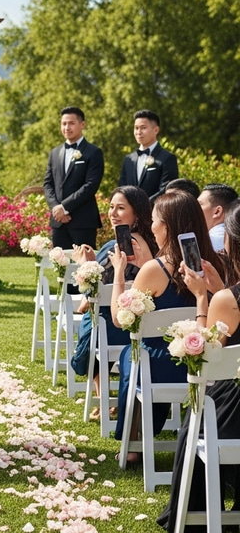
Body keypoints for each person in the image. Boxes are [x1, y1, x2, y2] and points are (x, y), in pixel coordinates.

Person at [110, 190, 222, 455]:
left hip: (162, 367)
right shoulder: (215, 264)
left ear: (167, 227)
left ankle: (134, 441)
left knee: (132, 354)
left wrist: (119, 270)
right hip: (206, 365)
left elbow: (118, 318)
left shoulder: (155, 270)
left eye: (154, 220)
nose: (151, 226)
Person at [157, 199, 240, 531]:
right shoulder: (229, 297)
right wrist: (220, 289)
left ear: (233, 243)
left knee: (198, 414)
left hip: (232, 417)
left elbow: (202, 365)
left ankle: (194, 514)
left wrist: (204, 299)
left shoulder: (228, 301)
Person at [69, 186, 157, 416]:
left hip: (114, 328)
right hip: (144, 325)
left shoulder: (117, 246)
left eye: (120, 208)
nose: (113, 213)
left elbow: (92, 292)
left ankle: (103, 399)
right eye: (110, 207)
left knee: (93, 320)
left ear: (136, 213)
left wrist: (82, 263)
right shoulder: (153, 242)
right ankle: (104, 399)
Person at [43, 106, 104, 249]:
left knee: (84, 267)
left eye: (71, 123)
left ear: (82, 125)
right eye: (64, 124)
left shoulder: (93, 152)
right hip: (58, 221)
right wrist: (56, 209)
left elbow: (91, 185)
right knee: (60, 266)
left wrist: (65, 207)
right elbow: (48, 184)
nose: (67, 127)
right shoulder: (55, 152)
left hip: (83, 221)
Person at [118, 110, 178, 200]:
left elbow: (167, 190)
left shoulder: (167, 158)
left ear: (156, 130)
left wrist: (143, 207)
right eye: (136, 128)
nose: (138, 132)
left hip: (155, 211)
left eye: (143, 128)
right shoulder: (128, 159)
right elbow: (122, 188)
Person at [197, 182, 238, 253]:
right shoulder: (234, 237)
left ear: (217, 211)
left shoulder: (209, 242)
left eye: (199, 205)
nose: (195, 208)